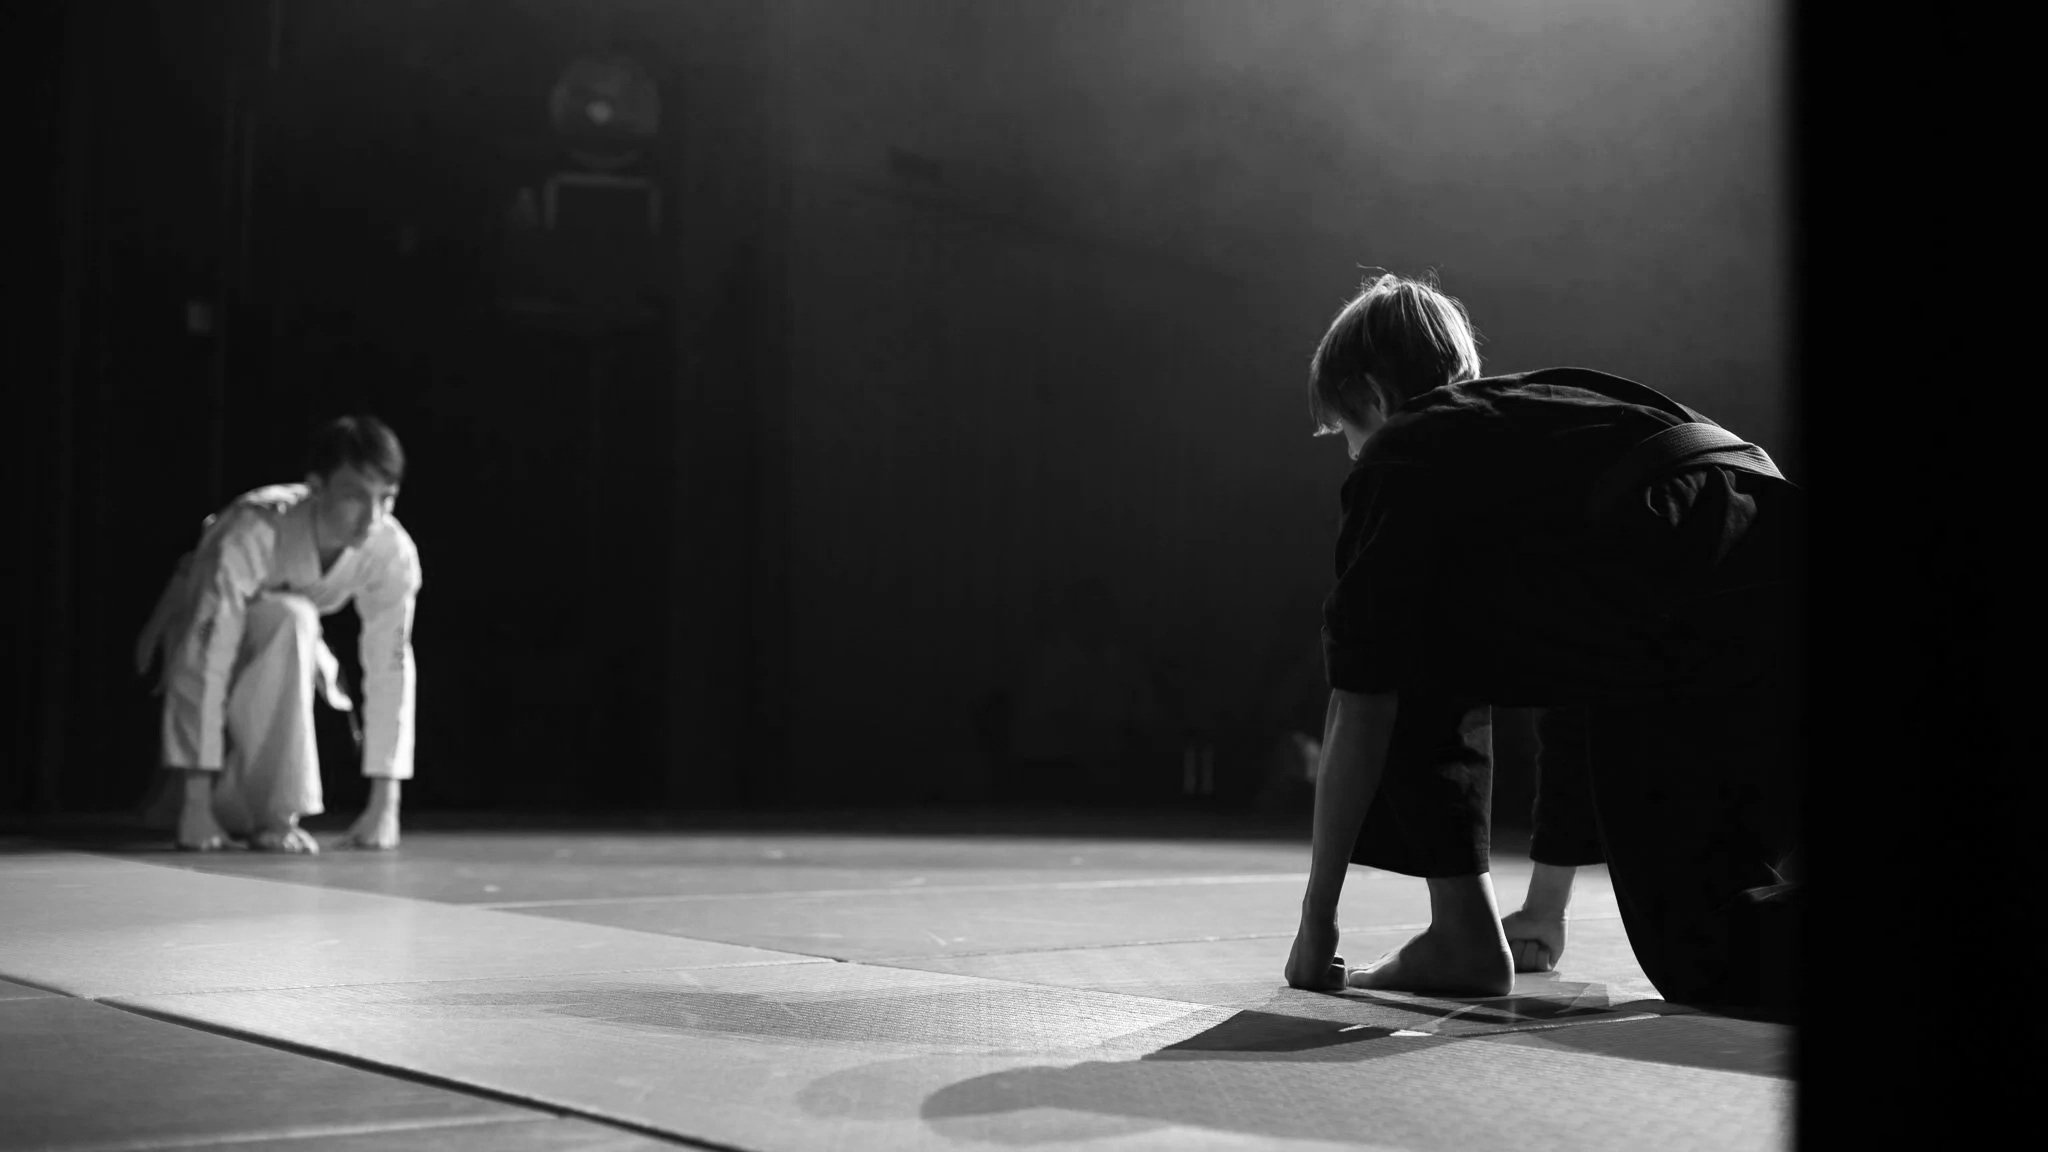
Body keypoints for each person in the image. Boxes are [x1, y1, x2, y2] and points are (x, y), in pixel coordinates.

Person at [1281, 273, 1800, 1020]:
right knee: (1737, 873)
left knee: (1709, 950)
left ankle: (1462, 931)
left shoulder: (1406, 449)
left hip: (1693, 604)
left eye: (1346, 434)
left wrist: (1316, 926)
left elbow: (1360, 699)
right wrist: (1545, 908)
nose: (1356, 456)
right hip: (1760, 552)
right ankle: (1466, 934)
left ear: (1371, 394)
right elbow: (1580, 666)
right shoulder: (1550, 425)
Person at [135, 415, 423, 853]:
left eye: (386, 498)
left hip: (277, 648)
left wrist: (386, 805)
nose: (372, 516)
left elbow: (392, 666)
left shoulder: (391, 551)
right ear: (316, 487)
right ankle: (194, 796)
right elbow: (205, 654)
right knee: (291, 618)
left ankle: (272, 814)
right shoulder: (254, 528)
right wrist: (197, 806)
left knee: (294, 622)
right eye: (354, 496)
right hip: (197, 626)